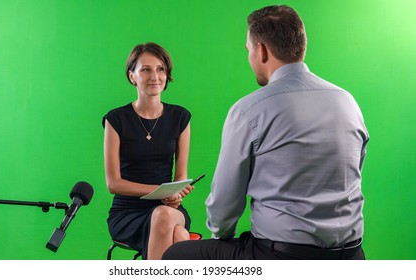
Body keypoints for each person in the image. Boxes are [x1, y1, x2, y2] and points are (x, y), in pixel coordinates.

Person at [163, 5, 369, 260]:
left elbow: (224, 205)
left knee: (175, 255)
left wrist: (221, 233)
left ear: (261, 51)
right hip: (352, 255)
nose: (249, 56)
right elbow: (353, 169)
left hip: (280, 257)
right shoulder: (347, 101)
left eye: (248, 49)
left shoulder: (250, 109)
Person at [102, 42, 194, 260]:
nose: (155, 76)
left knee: (165, 215)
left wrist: (176, 196)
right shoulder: (116, 119)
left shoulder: (181, 117)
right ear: (132, 76)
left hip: (169, 210)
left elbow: (180, 177)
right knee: (179, 235)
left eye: (160, 69)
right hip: (127, 213)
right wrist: (161, 191)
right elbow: (113, 184)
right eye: (146, 69)